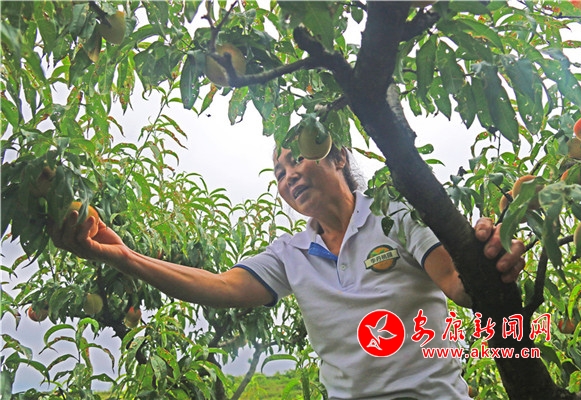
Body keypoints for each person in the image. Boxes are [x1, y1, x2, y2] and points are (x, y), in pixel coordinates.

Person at [50, 145, 525, 400]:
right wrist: (125, 256)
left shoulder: (395, 216)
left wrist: (492, 263)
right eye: (278, 172)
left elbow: (458, 284)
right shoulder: (291, 253)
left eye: (296, 158)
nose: (288, 175)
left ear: (338, 156)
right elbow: (220, 286)